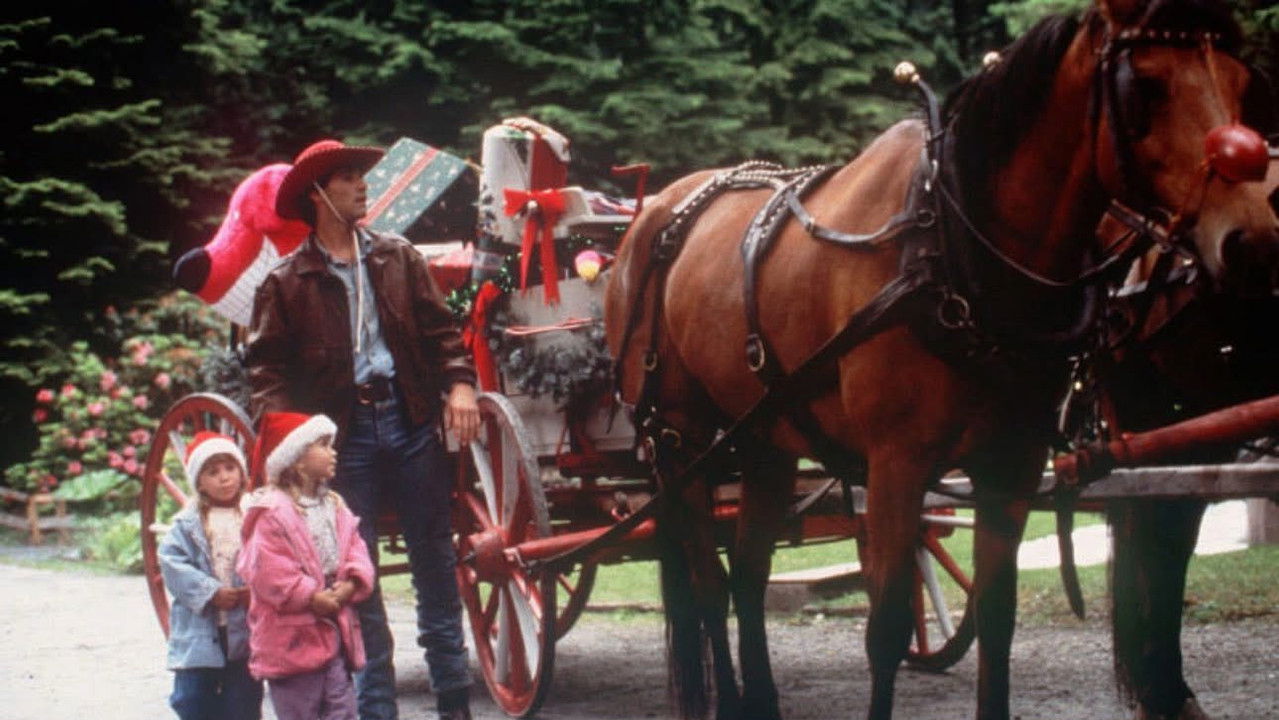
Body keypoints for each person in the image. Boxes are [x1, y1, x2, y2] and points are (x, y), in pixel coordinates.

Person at [247, 138, 481, 720]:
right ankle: (376, 709)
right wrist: (296, 444)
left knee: (435, 562)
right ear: (319, 195)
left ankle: (455, 702)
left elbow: (441, 334)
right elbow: (265, 373)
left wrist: (459, 384)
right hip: (340, 442)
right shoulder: (286, 281)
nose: (364, 185)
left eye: (360, 176)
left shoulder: (397, 257)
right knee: (358, 577)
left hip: (407, 424)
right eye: (350, 178)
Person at [238, 411, 376, 720]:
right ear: (297, 459)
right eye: (324, 445)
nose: (333, 451)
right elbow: (267, 570)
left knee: (342, 709)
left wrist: (352, 582)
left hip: (333, 633)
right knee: (301, 711)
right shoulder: (271, 511)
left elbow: (356, 547)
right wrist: (310, 596)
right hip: (291, 644)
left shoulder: (334, 505)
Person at [158, 431, 263, 720]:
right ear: (199, 482)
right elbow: (171, 562)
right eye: (213, 472)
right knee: (191, 697)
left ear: (242, 473)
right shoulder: (188, 523)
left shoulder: (255, 515)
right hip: (201, 627)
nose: (224, 477)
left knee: (243, 698)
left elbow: (271, 556)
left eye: (230, 468)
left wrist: (257, 589)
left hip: (245, 625)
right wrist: (210, 592)